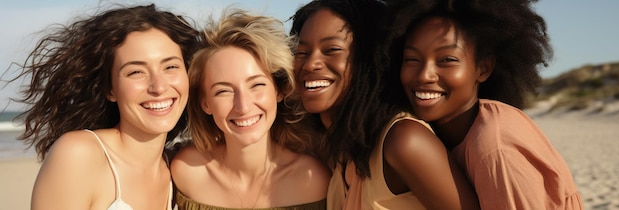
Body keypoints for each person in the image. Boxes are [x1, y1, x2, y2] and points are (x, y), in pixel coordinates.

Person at [387, 0, 584, 209]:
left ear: (483, 68)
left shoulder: (496, 150)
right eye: (411, 59)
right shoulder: (446, 133)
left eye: (447, 60)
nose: (425, 75)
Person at [289, 0, 479, 209]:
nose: (310, 63)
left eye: (332, 49)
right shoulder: (341, 151)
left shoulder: (404, 141)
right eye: (302, 53)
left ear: (370, 59)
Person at [12, 4, 202, 210]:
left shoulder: (180, 173)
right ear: (109, 89)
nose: (159, 86)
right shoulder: (79, 154)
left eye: (170, 67)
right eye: (136, 72)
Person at [170, 8, 330, 210]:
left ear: (279, 90)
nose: (243, 106)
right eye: (223, 91)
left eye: (257, 85)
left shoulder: (313, 179)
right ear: (205, 103)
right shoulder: (186, 172)